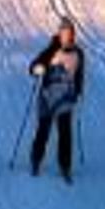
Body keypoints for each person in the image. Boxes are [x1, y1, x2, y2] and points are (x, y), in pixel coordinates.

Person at [26, 17, 87, 183]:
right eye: (63, 32)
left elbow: (79, 75)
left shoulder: (78, 53)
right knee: (43, 130)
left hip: (66, 98)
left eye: (69, 33)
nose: (66, 36)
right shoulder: (51, 49)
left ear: (73, 35)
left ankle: (65, 166)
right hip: (47, 97)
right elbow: (33, 66)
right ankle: (36, 160)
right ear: (59, 34)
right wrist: (37, 69)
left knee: (65, 133)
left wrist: (79, 92)